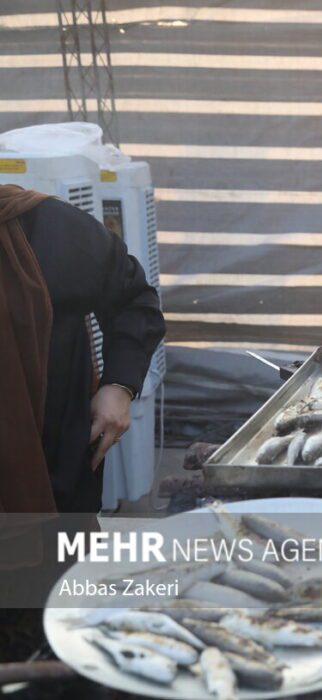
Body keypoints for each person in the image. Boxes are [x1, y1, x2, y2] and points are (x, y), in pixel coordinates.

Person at [0, 184, 166, 515]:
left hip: (53, 471)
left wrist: (118, 387)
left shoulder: (42, 225)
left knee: (60, 565)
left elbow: (133, 299)